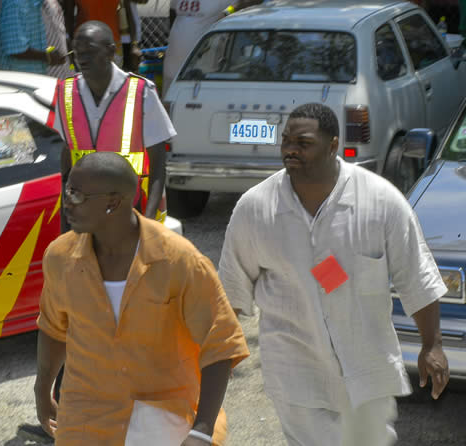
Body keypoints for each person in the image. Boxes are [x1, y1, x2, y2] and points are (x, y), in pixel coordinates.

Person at [218, 103, 449, 446]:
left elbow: (416, 277)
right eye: (286, 141)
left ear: (333, 146)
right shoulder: (256, 208)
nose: (291, 150)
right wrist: (214, 358)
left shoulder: (380, 202)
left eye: (303, 142)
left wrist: (433, 345)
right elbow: (231, 290)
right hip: (296, 371)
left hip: (367, 368)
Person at [34, 151, 249, 445]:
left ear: (113, 202)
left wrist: (202, 430)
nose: (66, 203)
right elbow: (53, 328)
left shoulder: (179, 260)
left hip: (164, 419)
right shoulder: (60, 257)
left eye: (77, 195)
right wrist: (42, 390)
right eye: (67, 190)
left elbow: (220, 344)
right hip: (85, 420)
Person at [51, 20, 175, 226]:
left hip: (133, 210)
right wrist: (66, 215)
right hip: (86, 211)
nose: (82, 57)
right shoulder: (65, 93)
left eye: (89, 51)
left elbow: (158, 163)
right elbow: (67, 155)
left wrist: (149, 222)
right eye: (77, 51)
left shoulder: (141, 92)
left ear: (110, 52)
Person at [162, 0, 262, 95]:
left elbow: (253, 1)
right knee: (169, 106)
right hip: (172, 66)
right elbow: (172, 11)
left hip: (201, 68)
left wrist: (228, 12)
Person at [0, 0, 67, 74]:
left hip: (32, 76)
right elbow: (16, 50)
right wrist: (48, 57)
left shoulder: (38, 3)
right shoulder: (16, 4)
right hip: (14, 78)